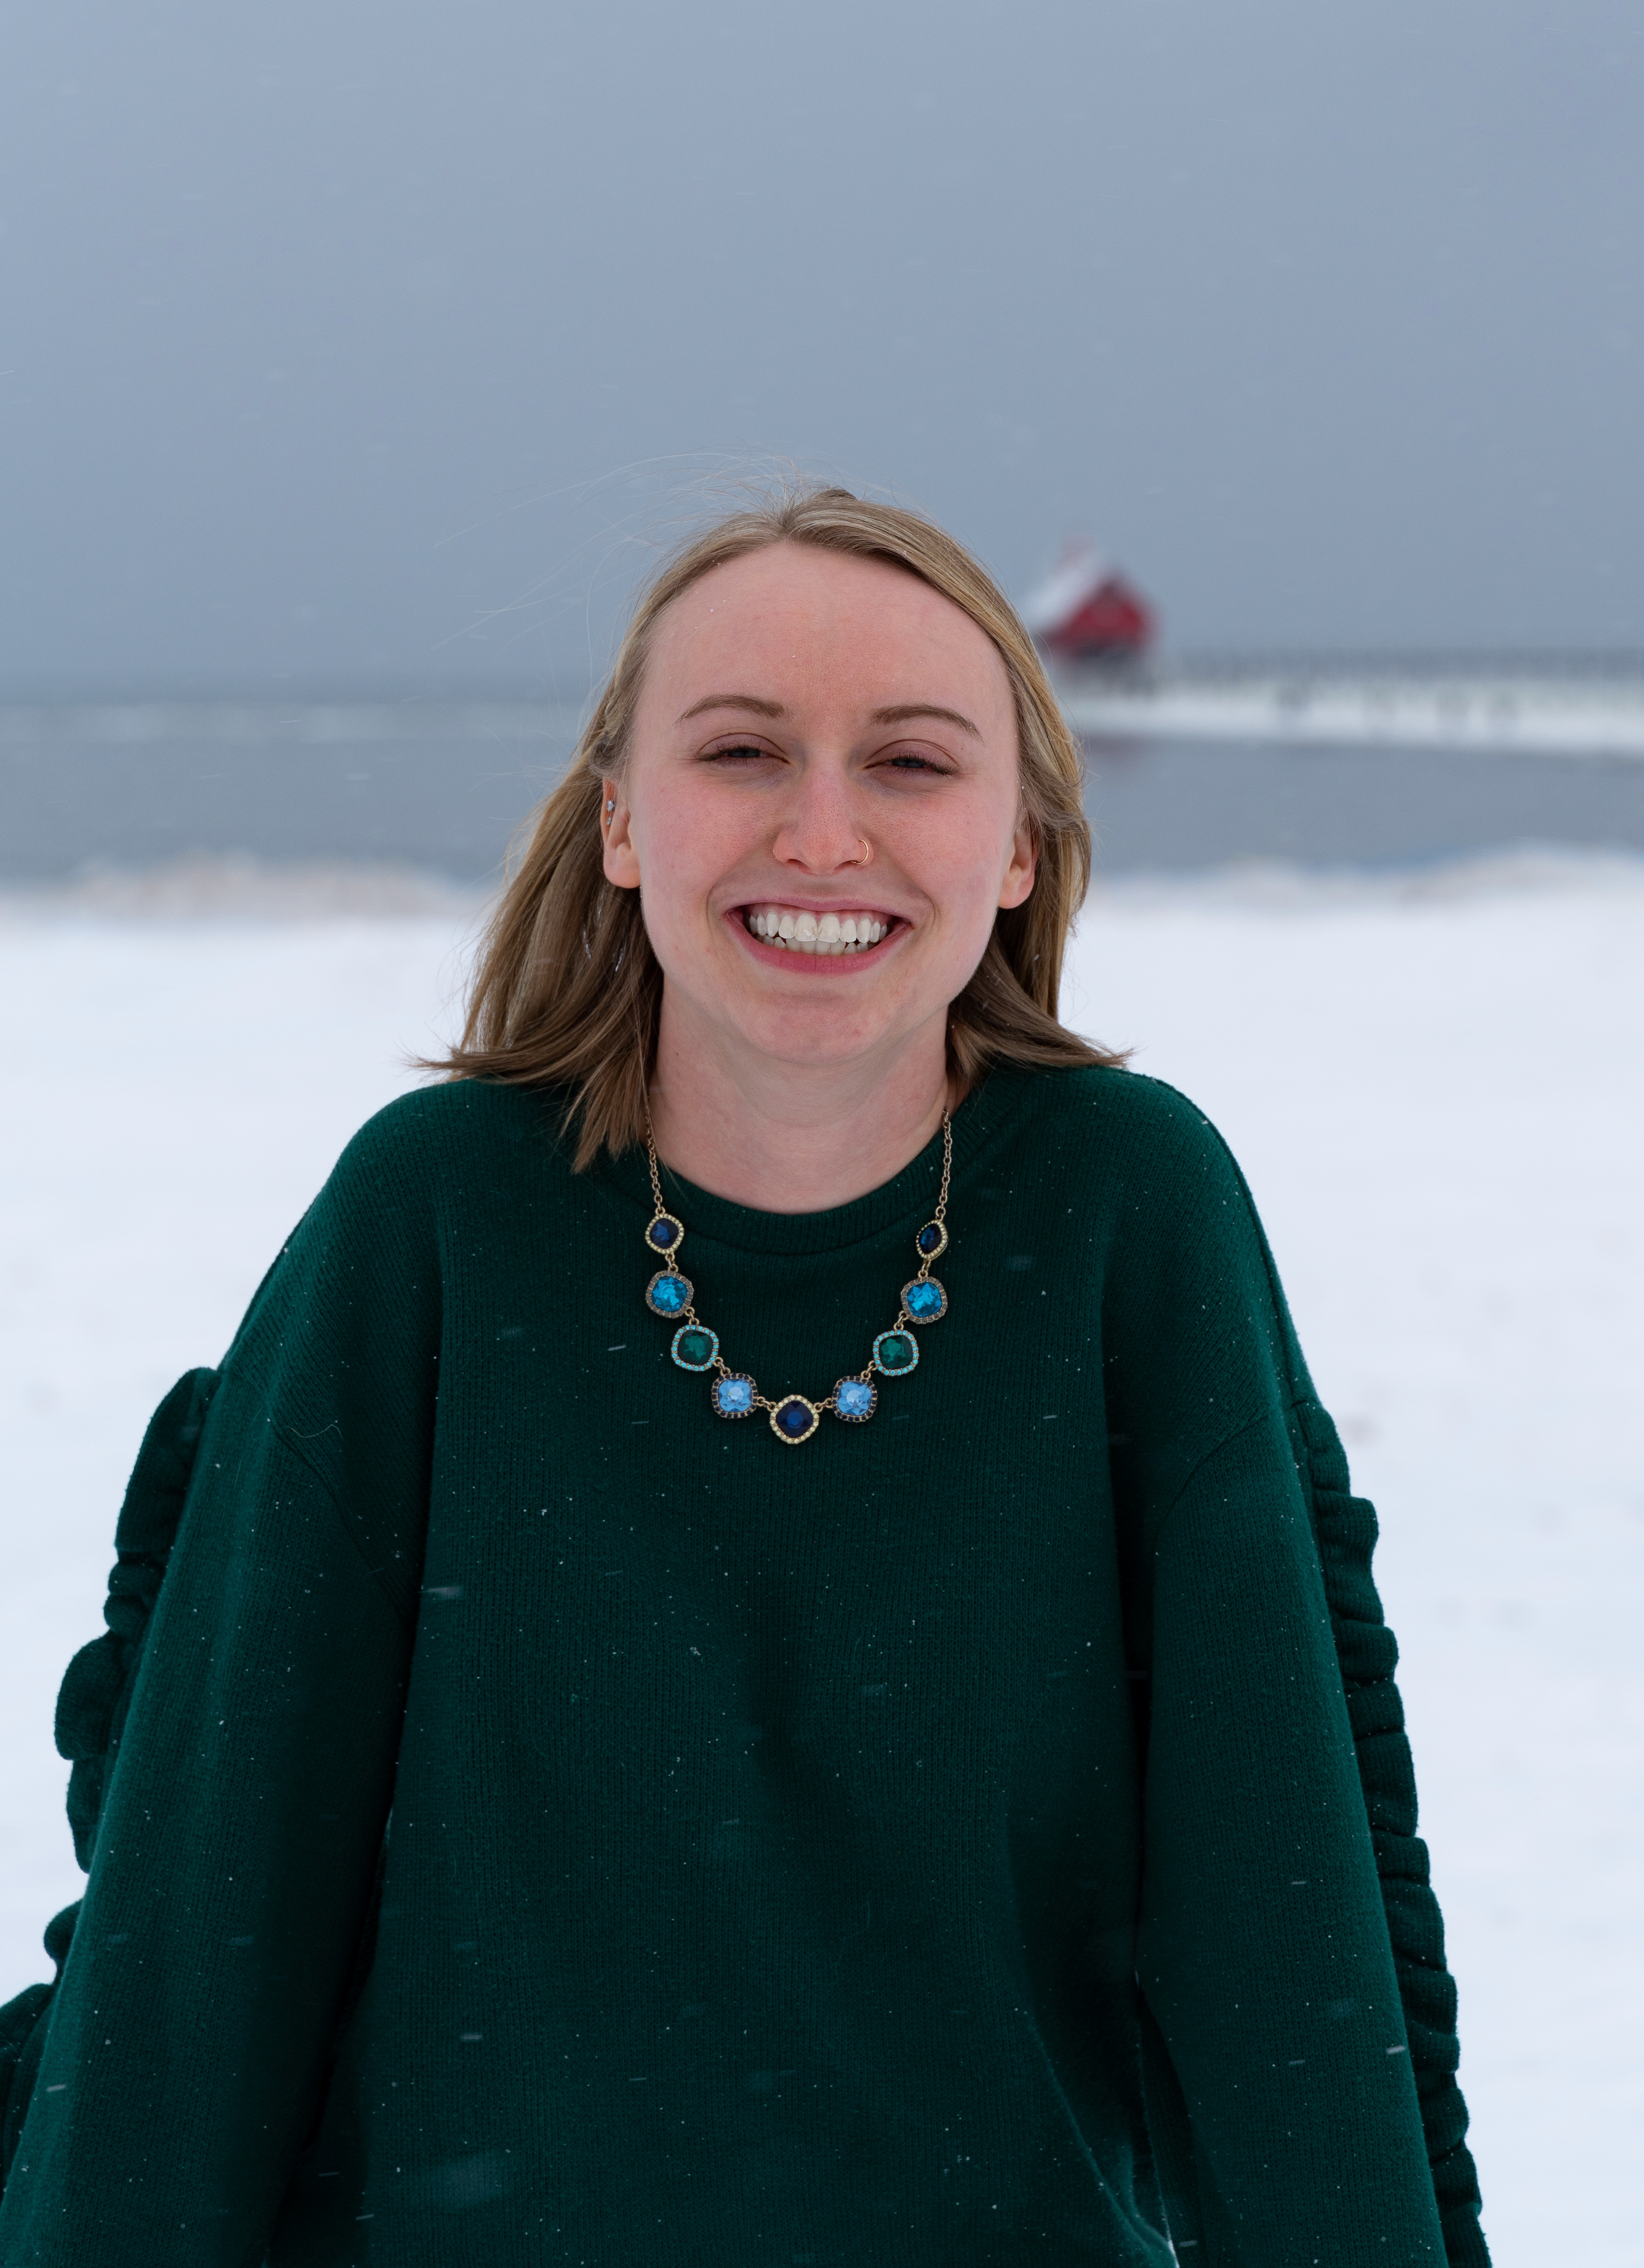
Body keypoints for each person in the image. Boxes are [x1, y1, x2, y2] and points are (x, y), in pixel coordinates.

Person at [0, 489, 1486, 2264]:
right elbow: (203, 1918)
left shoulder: (1126, 1211)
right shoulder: (437, 1220)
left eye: (913, 762)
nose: (824, 829)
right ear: (623, 818)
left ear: (1020, 843)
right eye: (743, 749)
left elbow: (1288, 1911)